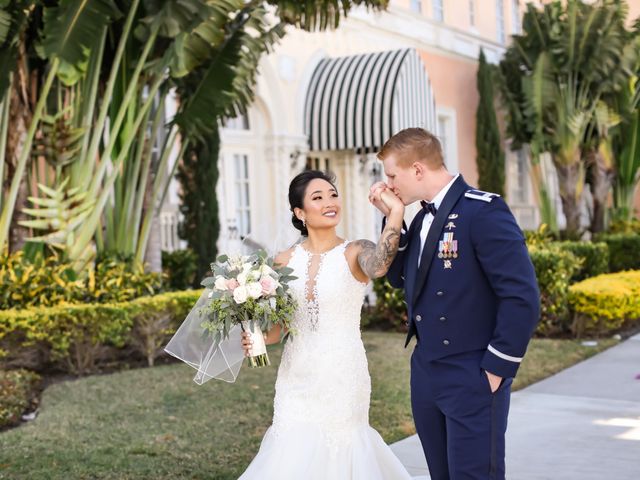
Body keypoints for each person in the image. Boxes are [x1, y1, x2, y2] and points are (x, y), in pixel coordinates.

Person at [369, 128, 540, 480]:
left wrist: (496, 369)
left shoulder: (483, 211)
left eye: (392, 176)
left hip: (473, 372)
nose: (388, 185)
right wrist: (394, 216)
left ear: (417, 170)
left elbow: (521, 296)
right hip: (428, 372)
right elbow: (398, 276)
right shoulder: (418, 218)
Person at [238, 170, 412, 480]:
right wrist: (257, 339)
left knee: (342, 449)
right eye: (318, 198)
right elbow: (278, 330)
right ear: (300, 212)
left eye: (333, 195)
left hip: (342, 375)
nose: (330, 202)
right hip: (295, 375)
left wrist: (396, 213)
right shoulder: (280, 262)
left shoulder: (356, 251)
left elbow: (381, 265)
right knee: (290, 449)